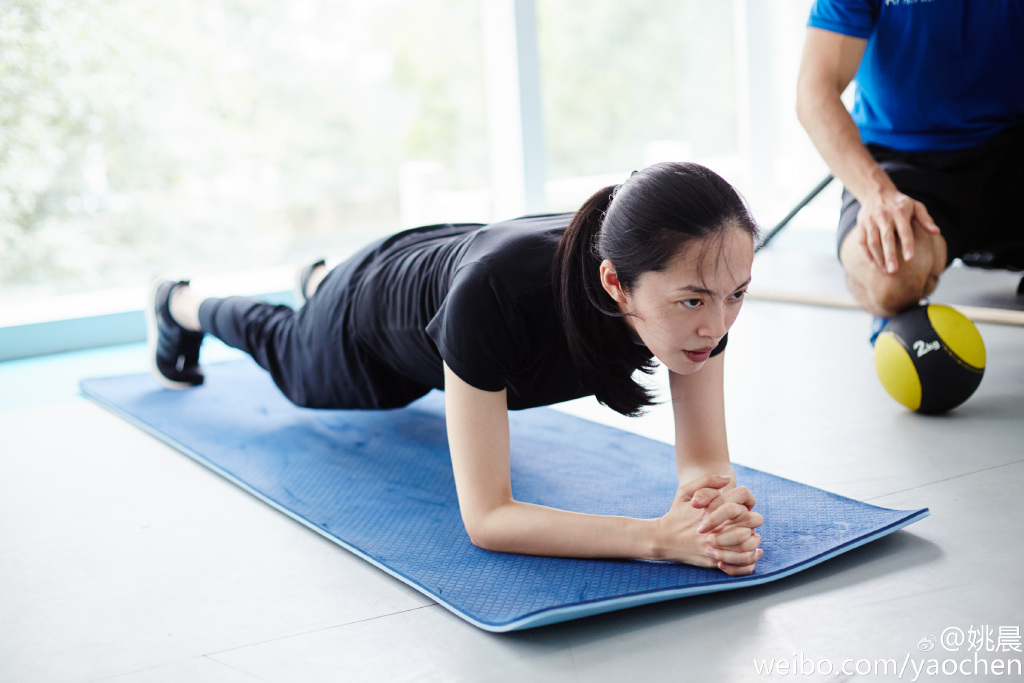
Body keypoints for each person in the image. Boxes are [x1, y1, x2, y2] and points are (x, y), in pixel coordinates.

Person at [148, 162, 765, 575]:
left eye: (737, 293)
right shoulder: (496, 299)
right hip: (379, 311)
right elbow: (489, 518)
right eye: (694, 300)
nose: (718, 325)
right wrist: (660, 539)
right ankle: (180, 302)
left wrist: (711, 512)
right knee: (291, 358)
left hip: (452, 265)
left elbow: (705, 460)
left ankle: (320, 279)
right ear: (616, 283)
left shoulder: (697, 300)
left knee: (324, 321)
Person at [796, 0, 1024, 330]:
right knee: (888, 280)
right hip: (906, 163)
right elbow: (814, 92)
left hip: (1013, 146)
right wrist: (877, 194)